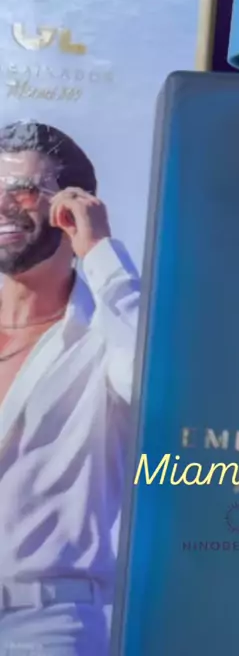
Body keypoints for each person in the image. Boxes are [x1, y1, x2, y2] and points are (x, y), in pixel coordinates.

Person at [0, 121, 139, 655]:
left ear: (72, 207)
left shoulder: (108, 331)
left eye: (23, 190)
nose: (4, 204)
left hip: (44, 626)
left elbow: (154, 388)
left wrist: (100, 251)